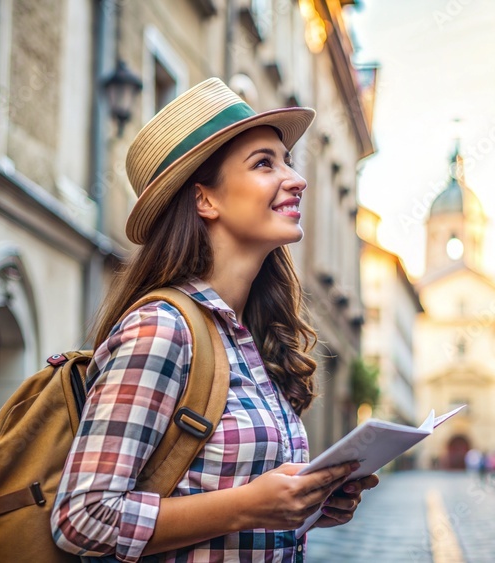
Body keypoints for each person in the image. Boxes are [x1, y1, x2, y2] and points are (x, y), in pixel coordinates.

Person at [51, 78, 378, 562]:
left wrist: (309, 502)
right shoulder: (162, 328)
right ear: (205, 199)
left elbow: (225, 495)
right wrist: (249, 506)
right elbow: (82, 518)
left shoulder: (251, 338)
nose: (296, 178)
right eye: (265, 163)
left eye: (285, 160)